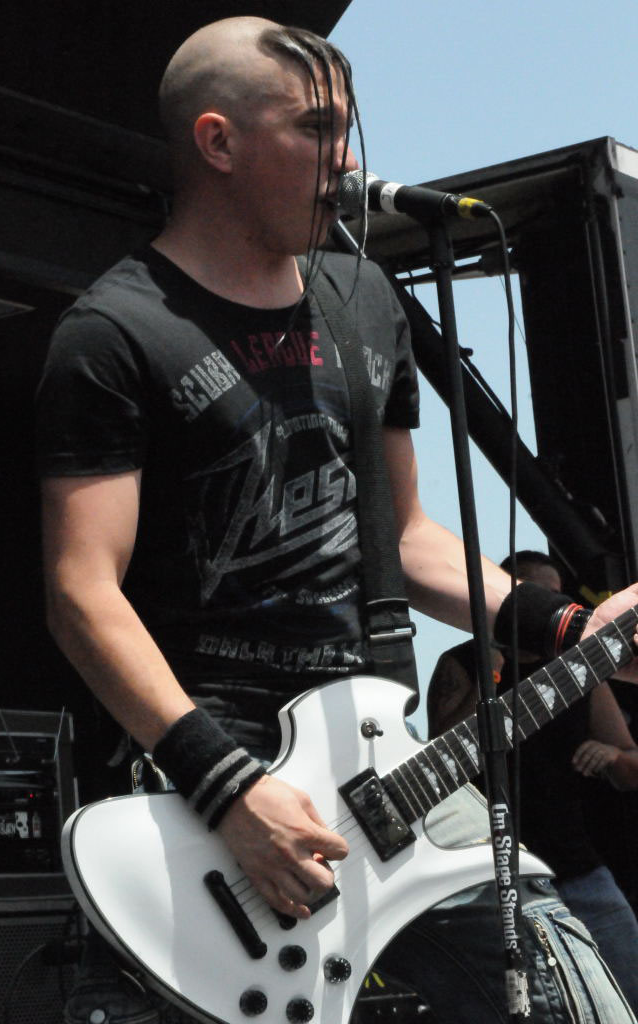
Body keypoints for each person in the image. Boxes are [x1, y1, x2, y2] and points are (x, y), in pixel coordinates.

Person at [36, 16, 638, 1024]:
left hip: (389, 763)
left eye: (350, 130)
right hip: (212, 787)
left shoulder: (363, 299)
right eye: (316, 130)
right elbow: (79, 592)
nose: (348, 162)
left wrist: (571, 627)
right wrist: (227, 788)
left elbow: (406, 539)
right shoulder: (114, 331)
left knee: (575, 1000)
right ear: (219, 142)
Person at [427, 550, 638, 1014]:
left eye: (557, 593)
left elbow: (630, 768)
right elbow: (440, 763)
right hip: (497, 878)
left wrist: (612, 756)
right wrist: (492, 673)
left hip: (576, 869)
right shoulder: (464, 663)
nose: (551, 602)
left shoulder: (579, 668)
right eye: (537, 592)